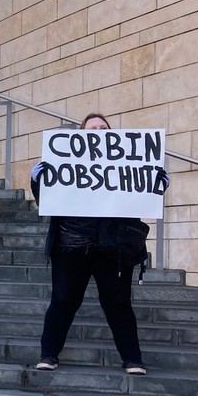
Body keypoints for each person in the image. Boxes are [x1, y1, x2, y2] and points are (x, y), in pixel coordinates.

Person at [31, 112, 169, 376]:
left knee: (118, 304)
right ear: (80, 135)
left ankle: (132, 359)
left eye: (103, 127)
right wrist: (37, 181)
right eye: (92, 128)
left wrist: (157, 185)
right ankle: (48, 354)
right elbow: (46, 201)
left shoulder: (124, 164)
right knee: (62, 301)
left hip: (112, 248)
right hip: (70, 246)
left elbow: (138, 196)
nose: (98, 131)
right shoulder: (62, 163)